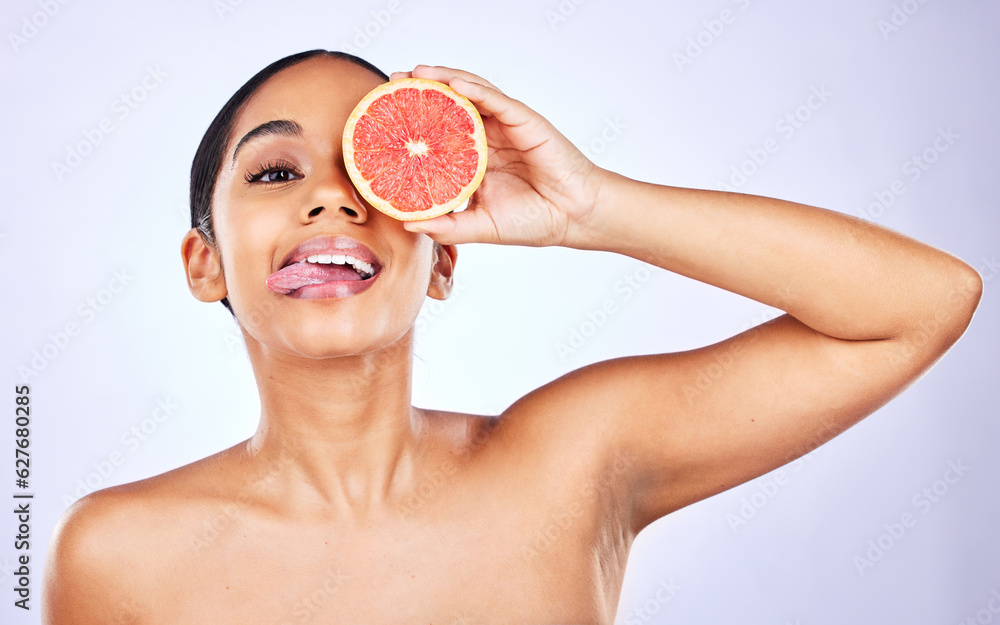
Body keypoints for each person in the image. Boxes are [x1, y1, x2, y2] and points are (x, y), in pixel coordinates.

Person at [42, 49, 982, 624]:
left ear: (443, 258)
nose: (333, 196)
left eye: (377, 175)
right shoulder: (117, 553)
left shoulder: (570, 465)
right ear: (204, 262)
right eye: (277, 171)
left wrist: (593, 208)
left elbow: (920, 302)